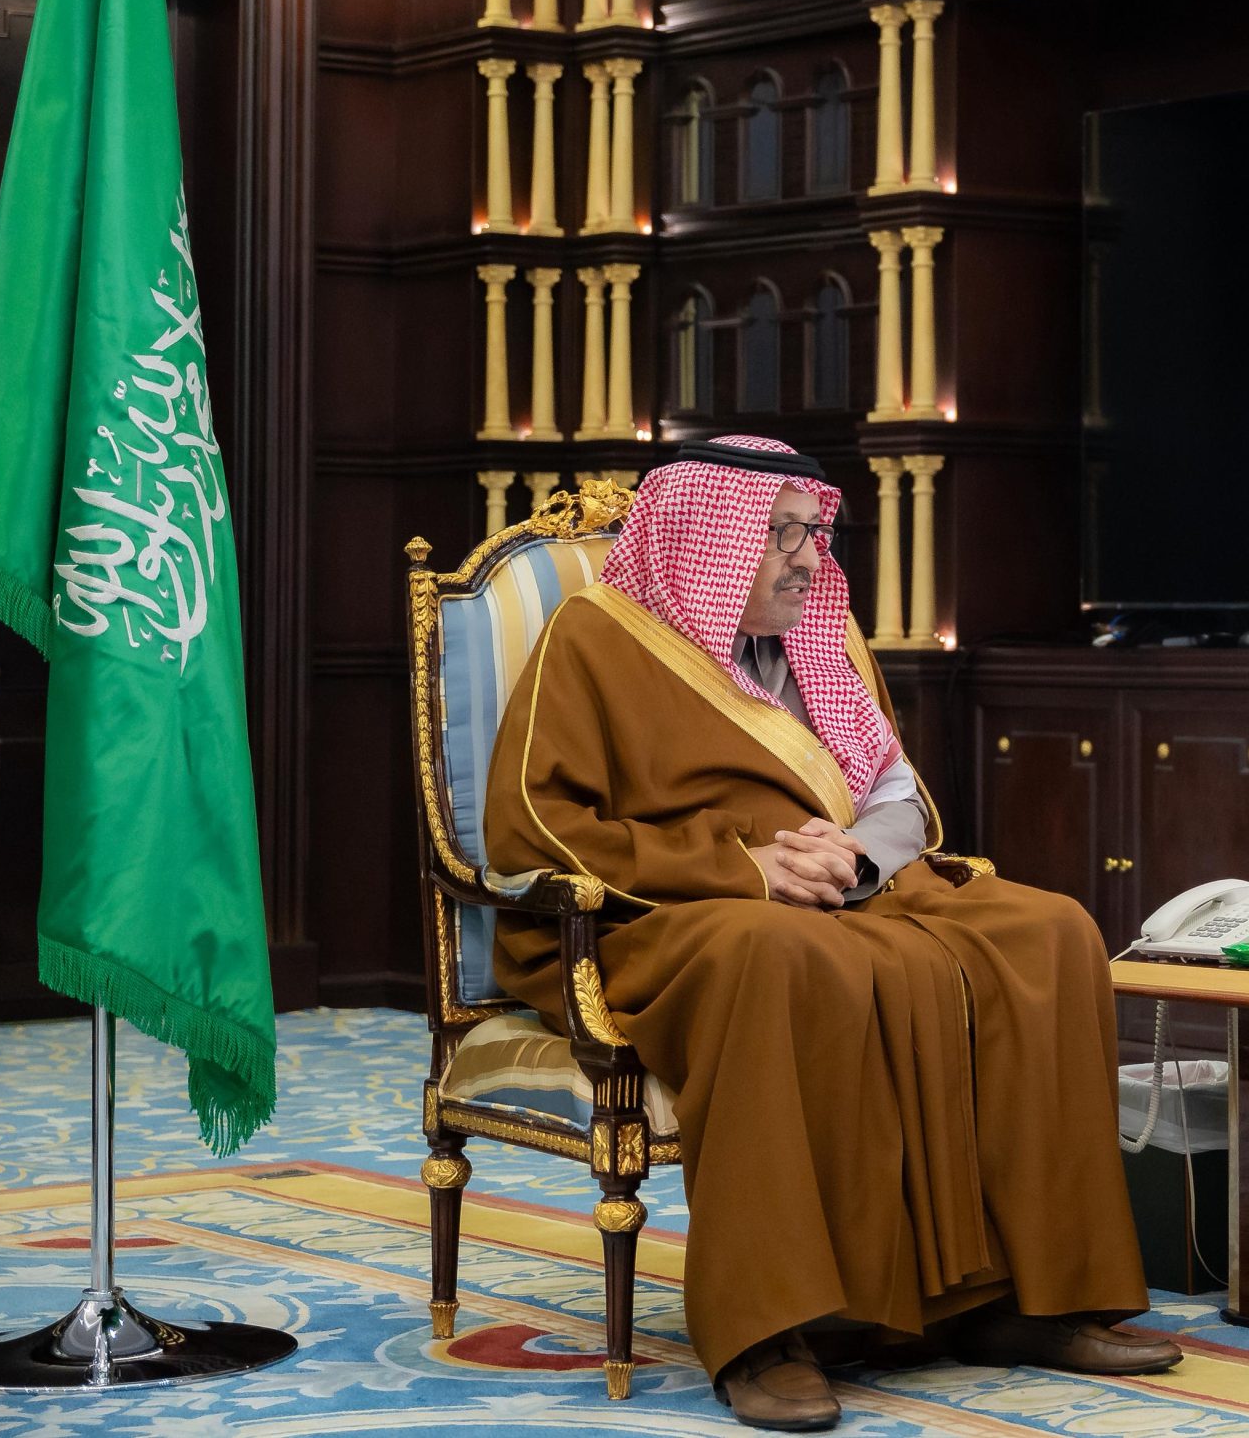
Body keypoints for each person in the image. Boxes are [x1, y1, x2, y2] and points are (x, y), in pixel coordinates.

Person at [484, 436, 1178, 1431]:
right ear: (706, 539)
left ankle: (1025, 1299)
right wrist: (747, 869)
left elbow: (897, 798)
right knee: (779, 954)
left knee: (1050, 930)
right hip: (666, 914)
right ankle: (771, 1329)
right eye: (782, 535)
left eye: (813, 532)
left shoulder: (822, 636)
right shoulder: (594, 639)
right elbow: (536, 825)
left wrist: (851, 861)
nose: (809, 558)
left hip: (849, 892)